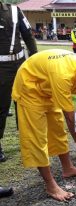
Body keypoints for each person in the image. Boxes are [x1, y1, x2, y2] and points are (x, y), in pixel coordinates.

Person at [12, 49, 76, 201]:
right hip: (29, 86)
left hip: (48, 88)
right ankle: (51, 185)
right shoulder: (63, 76)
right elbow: (70, 119)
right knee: (37, 138)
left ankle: (68, 168)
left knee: (57, 130)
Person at [0, 1, 37, 163]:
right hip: (1, 68)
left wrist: (35, 59)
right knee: (1, 106)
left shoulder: (14, 10)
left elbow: (28, 35)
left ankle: (26, 139)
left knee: (24, 102)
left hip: (21, 63)